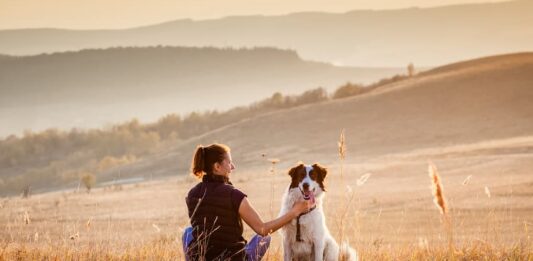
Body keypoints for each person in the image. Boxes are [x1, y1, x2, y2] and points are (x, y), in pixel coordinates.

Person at [182, 143, 314, 261]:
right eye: (229, 162)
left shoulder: (192, 194)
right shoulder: (234, 195)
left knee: (188, 232)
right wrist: (295, 211)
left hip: (201, 257)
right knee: (264, 238)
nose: (232, 167)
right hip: (234, 258)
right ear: (217, 167)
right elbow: (263, 229)